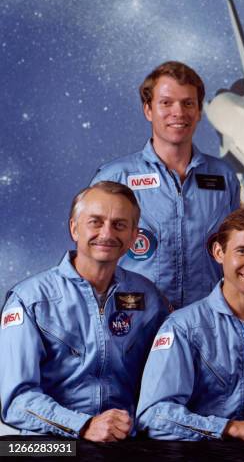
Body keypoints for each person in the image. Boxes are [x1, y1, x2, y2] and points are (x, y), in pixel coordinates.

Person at [0, 181, 168, 441]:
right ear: (74, 228)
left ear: (134, 236)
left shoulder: (148, 298)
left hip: (126, 443)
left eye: (119, 225)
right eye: (96, 222)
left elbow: (162, 384)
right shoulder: (30, 300)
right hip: (51, 445)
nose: (107, 233)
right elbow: (16, 401)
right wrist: (84, 425)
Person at [136, 208, 244, 441]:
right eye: (243, 251)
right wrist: (232, 428)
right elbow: (154, 416)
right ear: (219, 252)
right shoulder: (183, 327)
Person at [91, 61, 240, 309]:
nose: (178, 112)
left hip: (205, 321)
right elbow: (91, 258)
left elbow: (235, 251)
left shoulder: (223, 177)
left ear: (199, 111)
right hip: (134, 325)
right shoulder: (115, 178)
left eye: (188, 103)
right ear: (148, 110)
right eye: (166, 103)